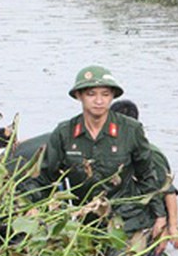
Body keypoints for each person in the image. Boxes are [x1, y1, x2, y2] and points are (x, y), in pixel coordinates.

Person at [19, 66, 165, 239]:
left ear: (112, 96)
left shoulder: (131, 130)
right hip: (82, 219)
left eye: (105, 94)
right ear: (79, 96)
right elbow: (42, 176)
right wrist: (31, 205)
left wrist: (161, 216)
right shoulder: (65, 133)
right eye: (91, 94)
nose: (99, 101)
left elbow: (148, 175)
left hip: (125, 219)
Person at [110, 99, 178, 256]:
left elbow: (168, 191)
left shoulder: (149, 154)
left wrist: (171, 227)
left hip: (143, 222)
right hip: (116, 220)